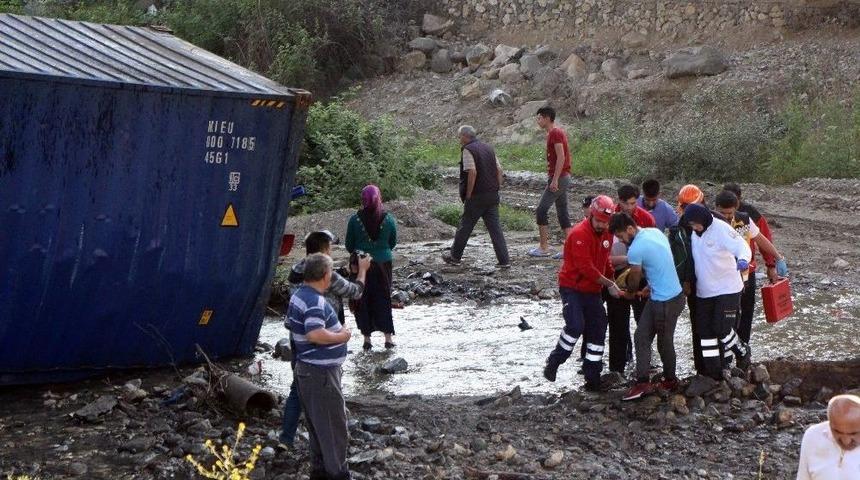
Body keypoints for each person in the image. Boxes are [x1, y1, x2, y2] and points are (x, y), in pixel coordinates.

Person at [280, 231, 371, 448]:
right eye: (329, 247)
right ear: (323, 249)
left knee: (298, 385)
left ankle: (286, 437)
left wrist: (343, 271)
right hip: (323, 334)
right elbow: (355, 291)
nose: (331, 251)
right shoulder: (326, 276)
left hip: (297, 333)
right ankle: (328, 437)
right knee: (330, 382)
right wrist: (363, 271)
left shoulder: (297, 269)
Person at [542, 195, 622, 391]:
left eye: (605, 222)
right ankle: (555, 361)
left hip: (593, 290)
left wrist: (613, 279)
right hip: (573, 288)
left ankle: (592, 376)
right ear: (591, 215)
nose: (602, 225)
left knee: (598, 328)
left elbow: (605, 260)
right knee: (575, 326)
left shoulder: (607, 234)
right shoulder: (579, 234)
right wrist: (609, 284)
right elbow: (586, 268)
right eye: (599, 221)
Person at [287, 253, 352, 480]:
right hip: (320, 373)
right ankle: (338, 474)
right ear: (325, 275)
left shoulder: (299, 295)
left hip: (308, 370)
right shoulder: (314, 300)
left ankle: (320, 471)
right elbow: (314, 334)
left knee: (318, 427)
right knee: (333, 428)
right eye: (331, 271)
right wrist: (342, 336)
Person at [608, 213, 686, 400]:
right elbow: (660, 263)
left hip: (666, 301)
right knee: (641, 336)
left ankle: (670, 380)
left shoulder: (636, 248)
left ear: (630, 229)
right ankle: (642, 382)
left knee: (664, 342)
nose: (621, 241)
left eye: (620, 236)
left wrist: (629, 293)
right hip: (662, 295)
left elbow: (634, 277)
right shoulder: (654, 232)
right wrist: (650, 286)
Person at [684, 204, 752, 379]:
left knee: (722, 328)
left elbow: (742, 246)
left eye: (696, 224)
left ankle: (743, 351)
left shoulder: (721, 229)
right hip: (704, 291)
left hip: (727, 288)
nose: (694, 227)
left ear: (704, 219)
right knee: (705, 333)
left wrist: (743, 260)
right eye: (691, 224)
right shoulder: (695, 233)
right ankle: (714, 372)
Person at [714, 190, 789, 344]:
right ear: (716, 208)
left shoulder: (744, 220)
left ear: (736, 208)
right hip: (723, 278)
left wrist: (777, 258)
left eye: (730, 213)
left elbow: (761, 239)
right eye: (723, 213)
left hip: (746, 274)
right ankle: (726, 350)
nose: (726, 217)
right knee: (727, 316)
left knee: (746, 314)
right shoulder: (710, 223)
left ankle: (744, 348)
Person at [443, 125, 510, 268]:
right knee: (495, 229)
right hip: (492, 195)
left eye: (460, 136)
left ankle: (454, 257)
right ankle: (504, 261)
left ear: (465, 136)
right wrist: (497, 187)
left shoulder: (468, 149)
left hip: (477, 195)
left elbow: (472, 172)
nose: (459, 139)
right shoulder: (488, 148)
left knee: (465, 226)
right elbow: (499, 169)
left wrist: (469, 194)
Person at [605, 184, 655, 374]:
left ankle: (645, 362)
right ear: (619, 201)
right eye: (626, 204)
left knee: (644, 320)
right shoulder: (609, 219)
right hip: (615, 275)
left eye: (633, 203)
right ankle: (617, 368)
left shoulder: (646, 219)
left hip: (640, 275)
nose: (629, 207)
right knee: (617, 323)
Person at [346, 185, 398, 350]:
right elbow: (392, 242)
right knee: (383, 299)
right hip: (383, 265)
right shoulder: (389, 219)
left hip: (361, 263)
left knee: (362, 300)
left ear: (364, 200)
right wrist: (380, 250)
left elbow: (349, 245)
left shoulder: (354, 220)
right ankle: (388, 338)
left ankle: (367, 340)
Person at [528, 106, 572, 260]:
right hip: (562, 177)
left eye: (539, 117)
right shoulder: (553, 133)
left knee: (541, 210)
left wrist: (554, 180)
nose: (538, 120)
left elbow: (561, 157)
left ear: (547, 118)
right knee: (562, 212)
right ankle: (571, 249)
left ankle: (544, 247)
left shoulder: (555, 133)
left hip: (559, 178)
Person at [797, 394, 860, 479]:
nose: (846, 441)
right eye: (837, 432)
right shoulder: (813, 436)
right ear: (829, 423)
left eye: (854, 433)